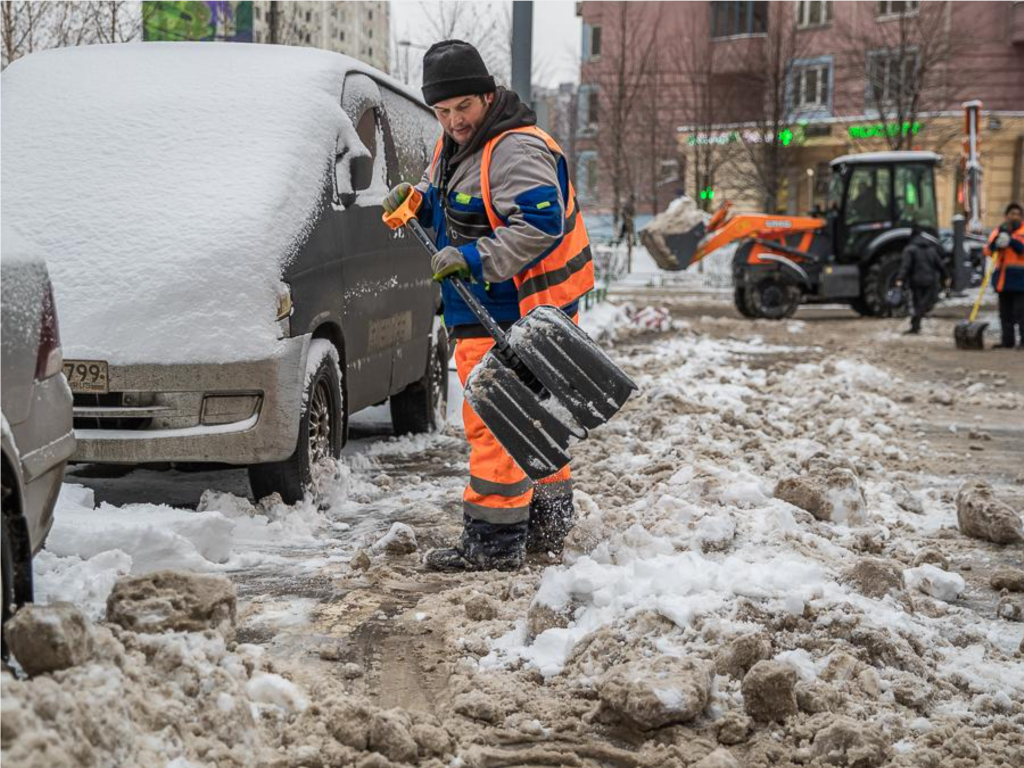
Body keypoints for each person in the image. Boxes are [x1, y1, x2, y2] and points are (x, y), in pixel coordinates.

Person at [381, 40, 594, 572]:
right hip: (489, 308)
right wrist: (417, 201)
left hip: (512, 311)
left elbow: (539, 225)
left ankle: (493, 545)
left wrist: (474, 260)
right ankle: (546, 525)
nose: (453, 120)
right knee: (532, 419)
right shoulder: (455, 145)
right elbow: (447, 204)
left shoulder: (515, 148)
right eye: (443, 111)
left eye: (463, 108)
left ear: (487, 95)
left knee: (494, 421)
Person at [894, 225, 951, 335]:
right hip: (930, 281)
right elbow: (940, 265)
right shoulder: (931, 249)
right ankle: (916, 326)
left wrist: (900, 278)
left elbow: (905, 266)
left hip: (916, 281)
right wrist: (947, 276)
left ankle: (915, 325)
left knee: (918, 304)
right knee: (923, 304)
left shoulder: (910, 249)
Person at [983, 202, 1024, 348]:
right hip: (1003, 279)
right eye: (1012, 214)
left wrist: (1011, 241)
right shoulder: (999, 230)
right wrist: (996, 243)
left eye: (1017, 214)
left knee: (1021, 313)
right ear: (1006, 215)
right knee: (1005, 314)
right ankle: (1007, 342)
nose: (1014, 217)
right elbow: (988, 251)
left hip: (1021, 280)